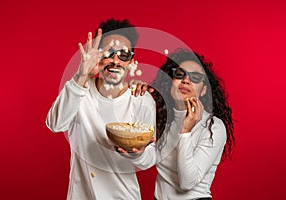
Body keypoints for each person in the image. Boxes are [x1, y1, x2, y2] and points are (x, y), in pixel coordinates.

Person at [46, 18, 156, 200]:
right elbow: (55, 124)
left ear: (131, 62)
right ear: (97, 56)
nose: (115, 61)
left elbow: (149, 159)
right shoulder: (79, 89)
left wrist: (139, 153)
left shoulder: (141, 99)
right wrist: (81, 75)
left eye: (124, 55)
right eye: (109, 53)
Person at [119, 49, 235, 199]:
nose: (186, 80)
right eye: (179, 74)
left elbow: (187, 183)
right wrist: (137, 154)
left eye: (196, 77)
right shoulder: (163, 120)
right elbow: (150, 159)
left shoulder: (213, 127)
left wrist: (185, 131)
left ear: (204, 90)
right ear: (170, 82)